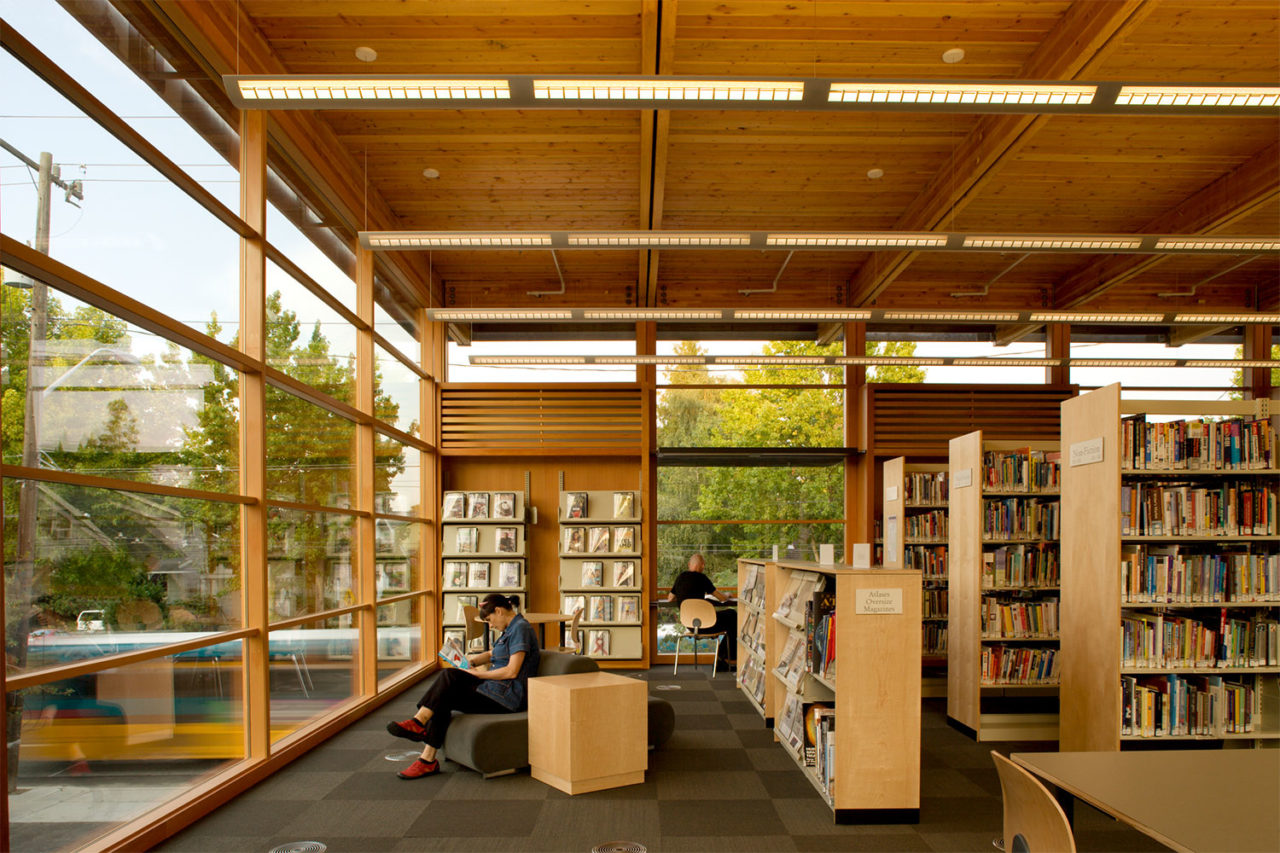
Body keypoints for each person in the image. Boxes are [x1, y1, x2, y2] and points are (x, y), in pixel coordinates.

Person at [386, 592, 540, 779]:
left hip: (508, 698)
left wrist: (476, 674)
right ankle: (426, 757)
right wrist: (471, 662)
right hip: (494, 689)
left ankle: (419, 726)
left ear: (499, 611)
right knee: (444, 694)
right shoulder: (510, 629)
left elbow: (511, 671)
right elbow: (494, 653)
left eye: (490, 620)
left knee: (449, 677)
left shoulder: (521, 629)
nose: (490, 626)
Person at [665, 553, 737, 667]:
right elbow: (721, 598)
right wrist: (727, 594)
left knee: (731, 618)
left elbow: (670, 598)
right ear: (702, 566)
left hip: (690, 624)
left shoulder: (681, 577)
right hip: (707, 624)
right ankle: (727, 658)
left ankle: (724, 657)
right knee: (733, 615)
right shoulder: (702, 578)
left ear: (689, 565)